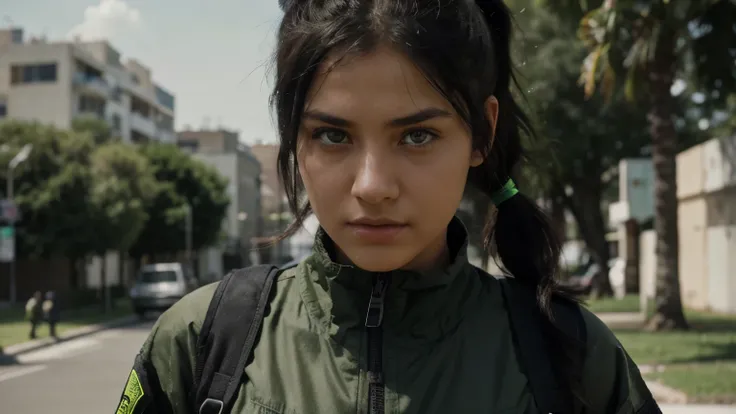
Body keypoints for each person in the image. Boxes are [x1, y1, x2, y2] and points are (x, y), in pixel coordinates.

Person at [116, 1, 661, 413]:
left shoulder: (571, 355)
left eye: (417, 136)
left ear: (482, 133)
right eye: (332, 135)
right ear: (292, 138)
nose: (372, 186)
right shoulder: (203, 343)